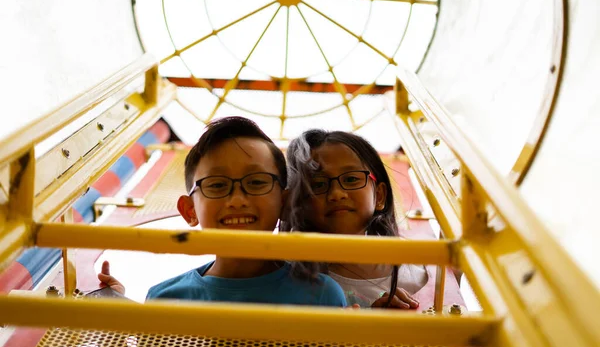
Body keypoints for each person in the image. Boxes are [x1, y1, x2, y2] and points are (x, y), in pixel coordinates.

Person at [98, 117, 346, 307]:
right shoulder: (166, 299)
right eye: (217, 185)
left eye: (257, 182)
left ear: (285, 201)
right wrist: (114, 327)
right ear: (189, 210)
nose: (237, 200)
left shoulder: (321, 296)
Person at [280, 129, 428, 309]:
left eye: (351, 179)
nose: (336, 193)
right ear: (297, 203)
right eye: (318, 184)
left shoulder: (418, 267)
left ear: (379, 196)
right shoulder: (288, 277)